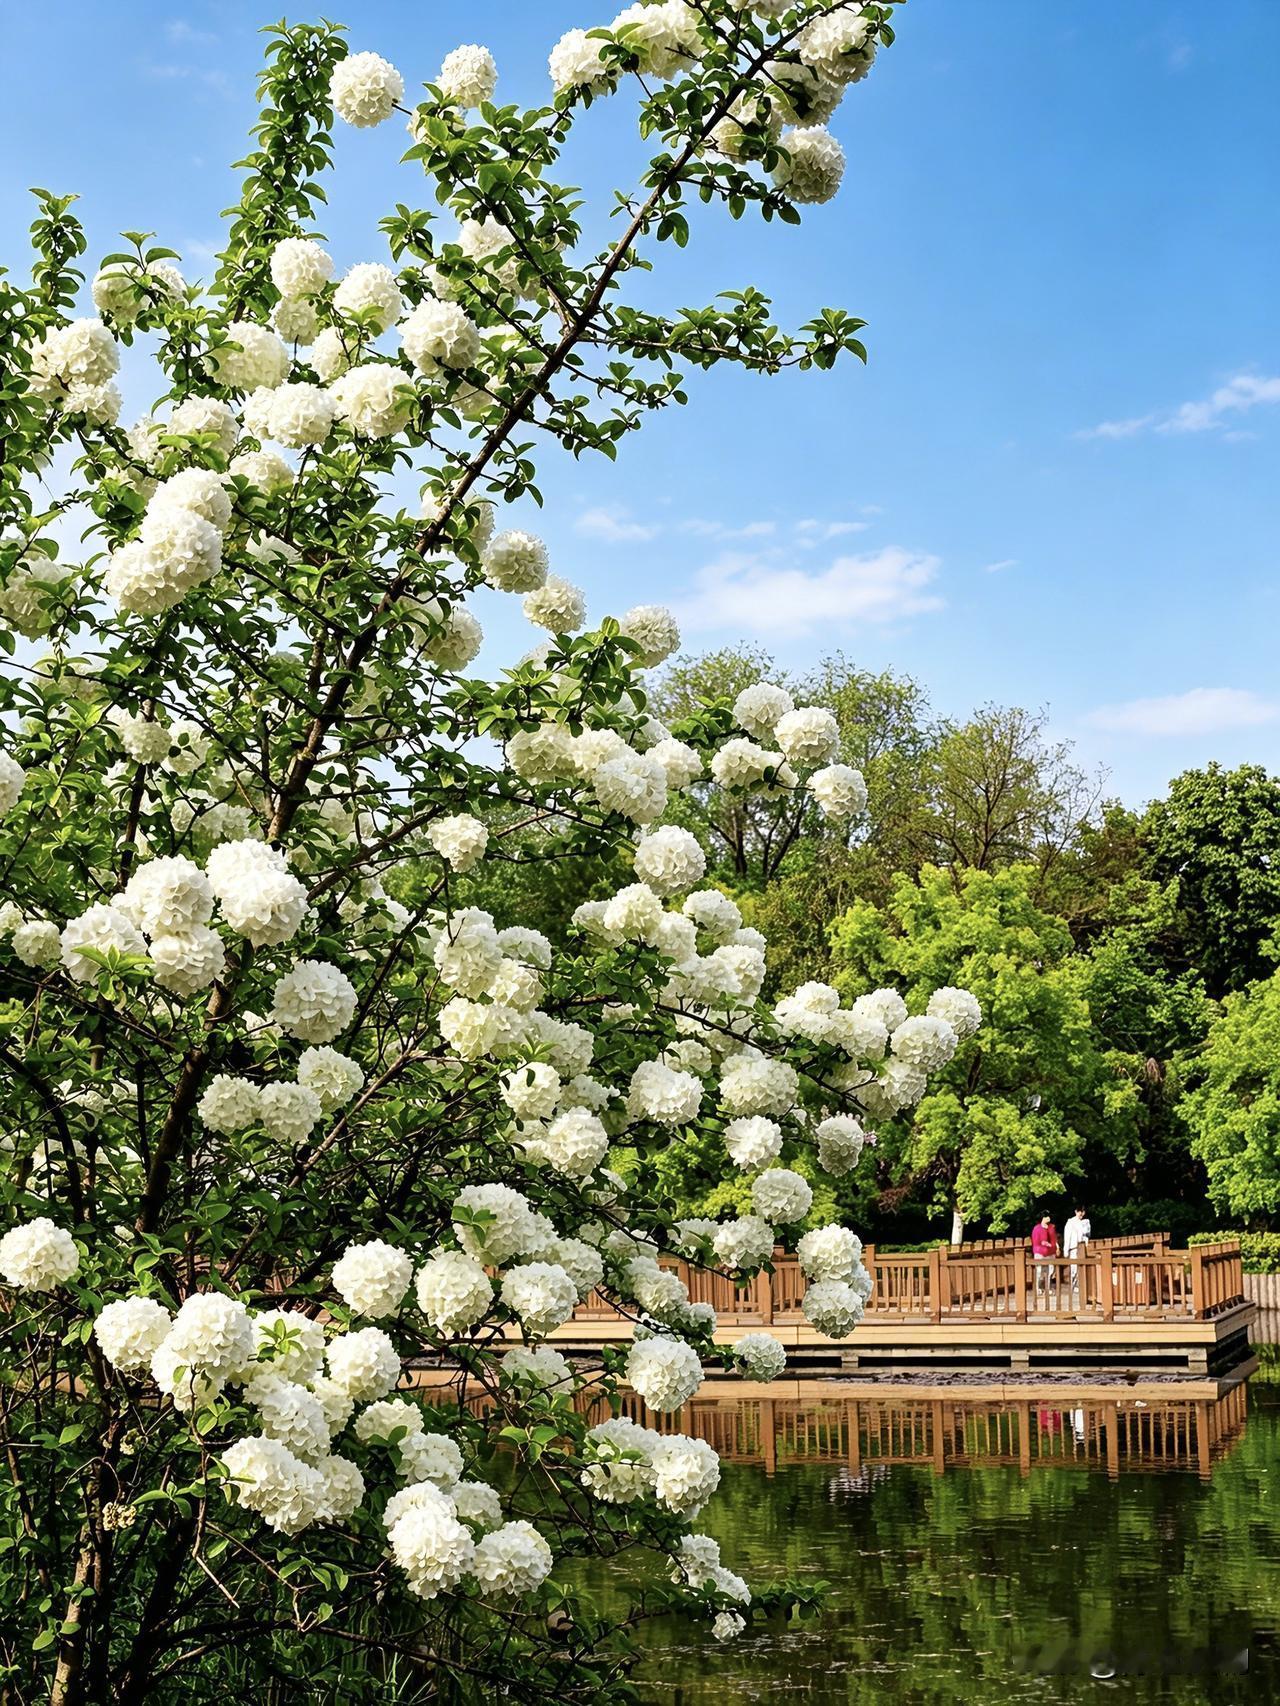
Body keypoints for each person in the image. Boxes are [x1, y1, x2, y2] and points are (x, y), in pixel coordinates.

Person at [1064, 1205, 1091, 1304]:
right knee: (1074, 1269)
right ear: (1076, 1211)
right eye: (1079, 1211)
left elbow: (1087, 1234)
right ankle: (1072, 1287)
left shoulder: (1086, 1222)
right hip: (1074, 1248)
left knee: (1083, 1269)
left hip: (1083, 1248)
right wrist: (1066, 1250)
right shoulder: (1070, 1222)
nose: (1081, 1213)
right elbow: (1067, 1236)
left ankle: (1082, 1288)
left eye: (1083, 1212)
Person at [1031, 1212, 1059, 1304]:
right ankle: (1038, 1288)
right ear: (1043, 1218)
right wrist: (1043, 1244)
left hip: (1050, 1251)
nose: (1049, 1218)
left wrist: (1056, 1247)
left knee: (1050, 1270)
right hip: (1040, 1252)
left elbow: (1054, 1239)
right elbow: (1035, 1240)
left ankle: (1048, 1287)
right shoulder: (1037, 1228)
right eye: (1047, 1216)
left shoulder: (1051, 1227)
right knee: (1039, 1271)